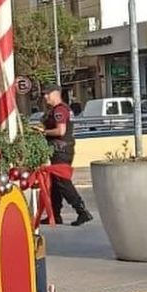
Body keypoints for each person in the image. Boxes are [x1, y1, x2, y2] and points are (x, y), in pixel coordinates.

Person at [41, 84, 92, 226]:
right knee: (56, 183)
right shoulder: (61, 109)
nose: (45, 97)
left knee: (63, 182)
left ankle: (82, 212)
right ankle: (55, 215)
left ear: (56, 93)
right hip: (61, 149)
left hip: (61, 150)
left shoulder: (60, 110)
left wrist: (43, 132)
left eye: (48, 94)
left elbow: (60, 131)